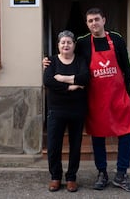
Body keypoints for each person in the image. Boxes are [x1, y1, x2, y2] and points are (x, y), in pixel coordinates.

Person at [43, 8, 130, 193]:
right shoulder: (84, 42)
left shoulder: (117, 39)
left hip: (119, 97)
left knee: (127, 133)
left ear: (104, 20)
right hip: (97, 99)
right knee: (98, 136)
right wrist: (47, 61)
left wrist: (128, 93)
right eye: (90, 21)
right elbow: (67, 55)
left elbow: (127, 66)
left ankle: (121, 174)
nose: (94, 23)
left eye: (96, 19)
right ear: (87, 24)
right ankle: (102, 172)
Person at [43, 30, 89, 193]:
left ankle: (71, 178)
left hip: (77, 110)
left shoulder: (81, 60)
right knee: (54, 145)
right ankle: (55, 177)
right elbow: (48, 81)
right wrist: (72, 86)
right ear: (58, 45)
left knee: (75, 145)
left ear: (74, 45)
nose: (66, 45)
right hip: (56, 110)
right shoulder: (51, 61)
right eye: (63, 42)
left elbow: (85, 78)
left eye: (69, 42)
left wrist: (62, 78)